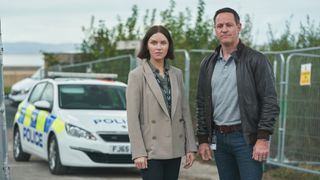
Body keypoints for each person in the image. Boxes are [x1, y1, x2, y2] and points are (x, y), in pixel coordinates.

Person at [196, 7, 280, 180]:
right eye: (220, 26)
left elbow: (270, 101)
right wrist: (203, 138)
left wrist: (263, 138)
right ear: (215, 29)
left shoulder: (256, 60)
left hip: (247, 139)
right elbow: (202, 102)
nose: (224, 29)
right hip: (220, 140)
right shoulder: (208, 64)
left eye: (229, 24)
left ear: (239, 27)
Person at [126, 25, 197, 180]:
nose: (159, 47)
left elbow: (184, 111)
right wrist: (138, 152)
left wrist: (190, 147)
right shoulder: (136, 76)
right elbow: (132, 118)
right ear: (147, 45)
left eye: (163, 43)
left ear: (169, 46)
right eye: (154, 42)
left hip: (174, 148)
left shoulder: (177, 74)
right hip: (150, 151)